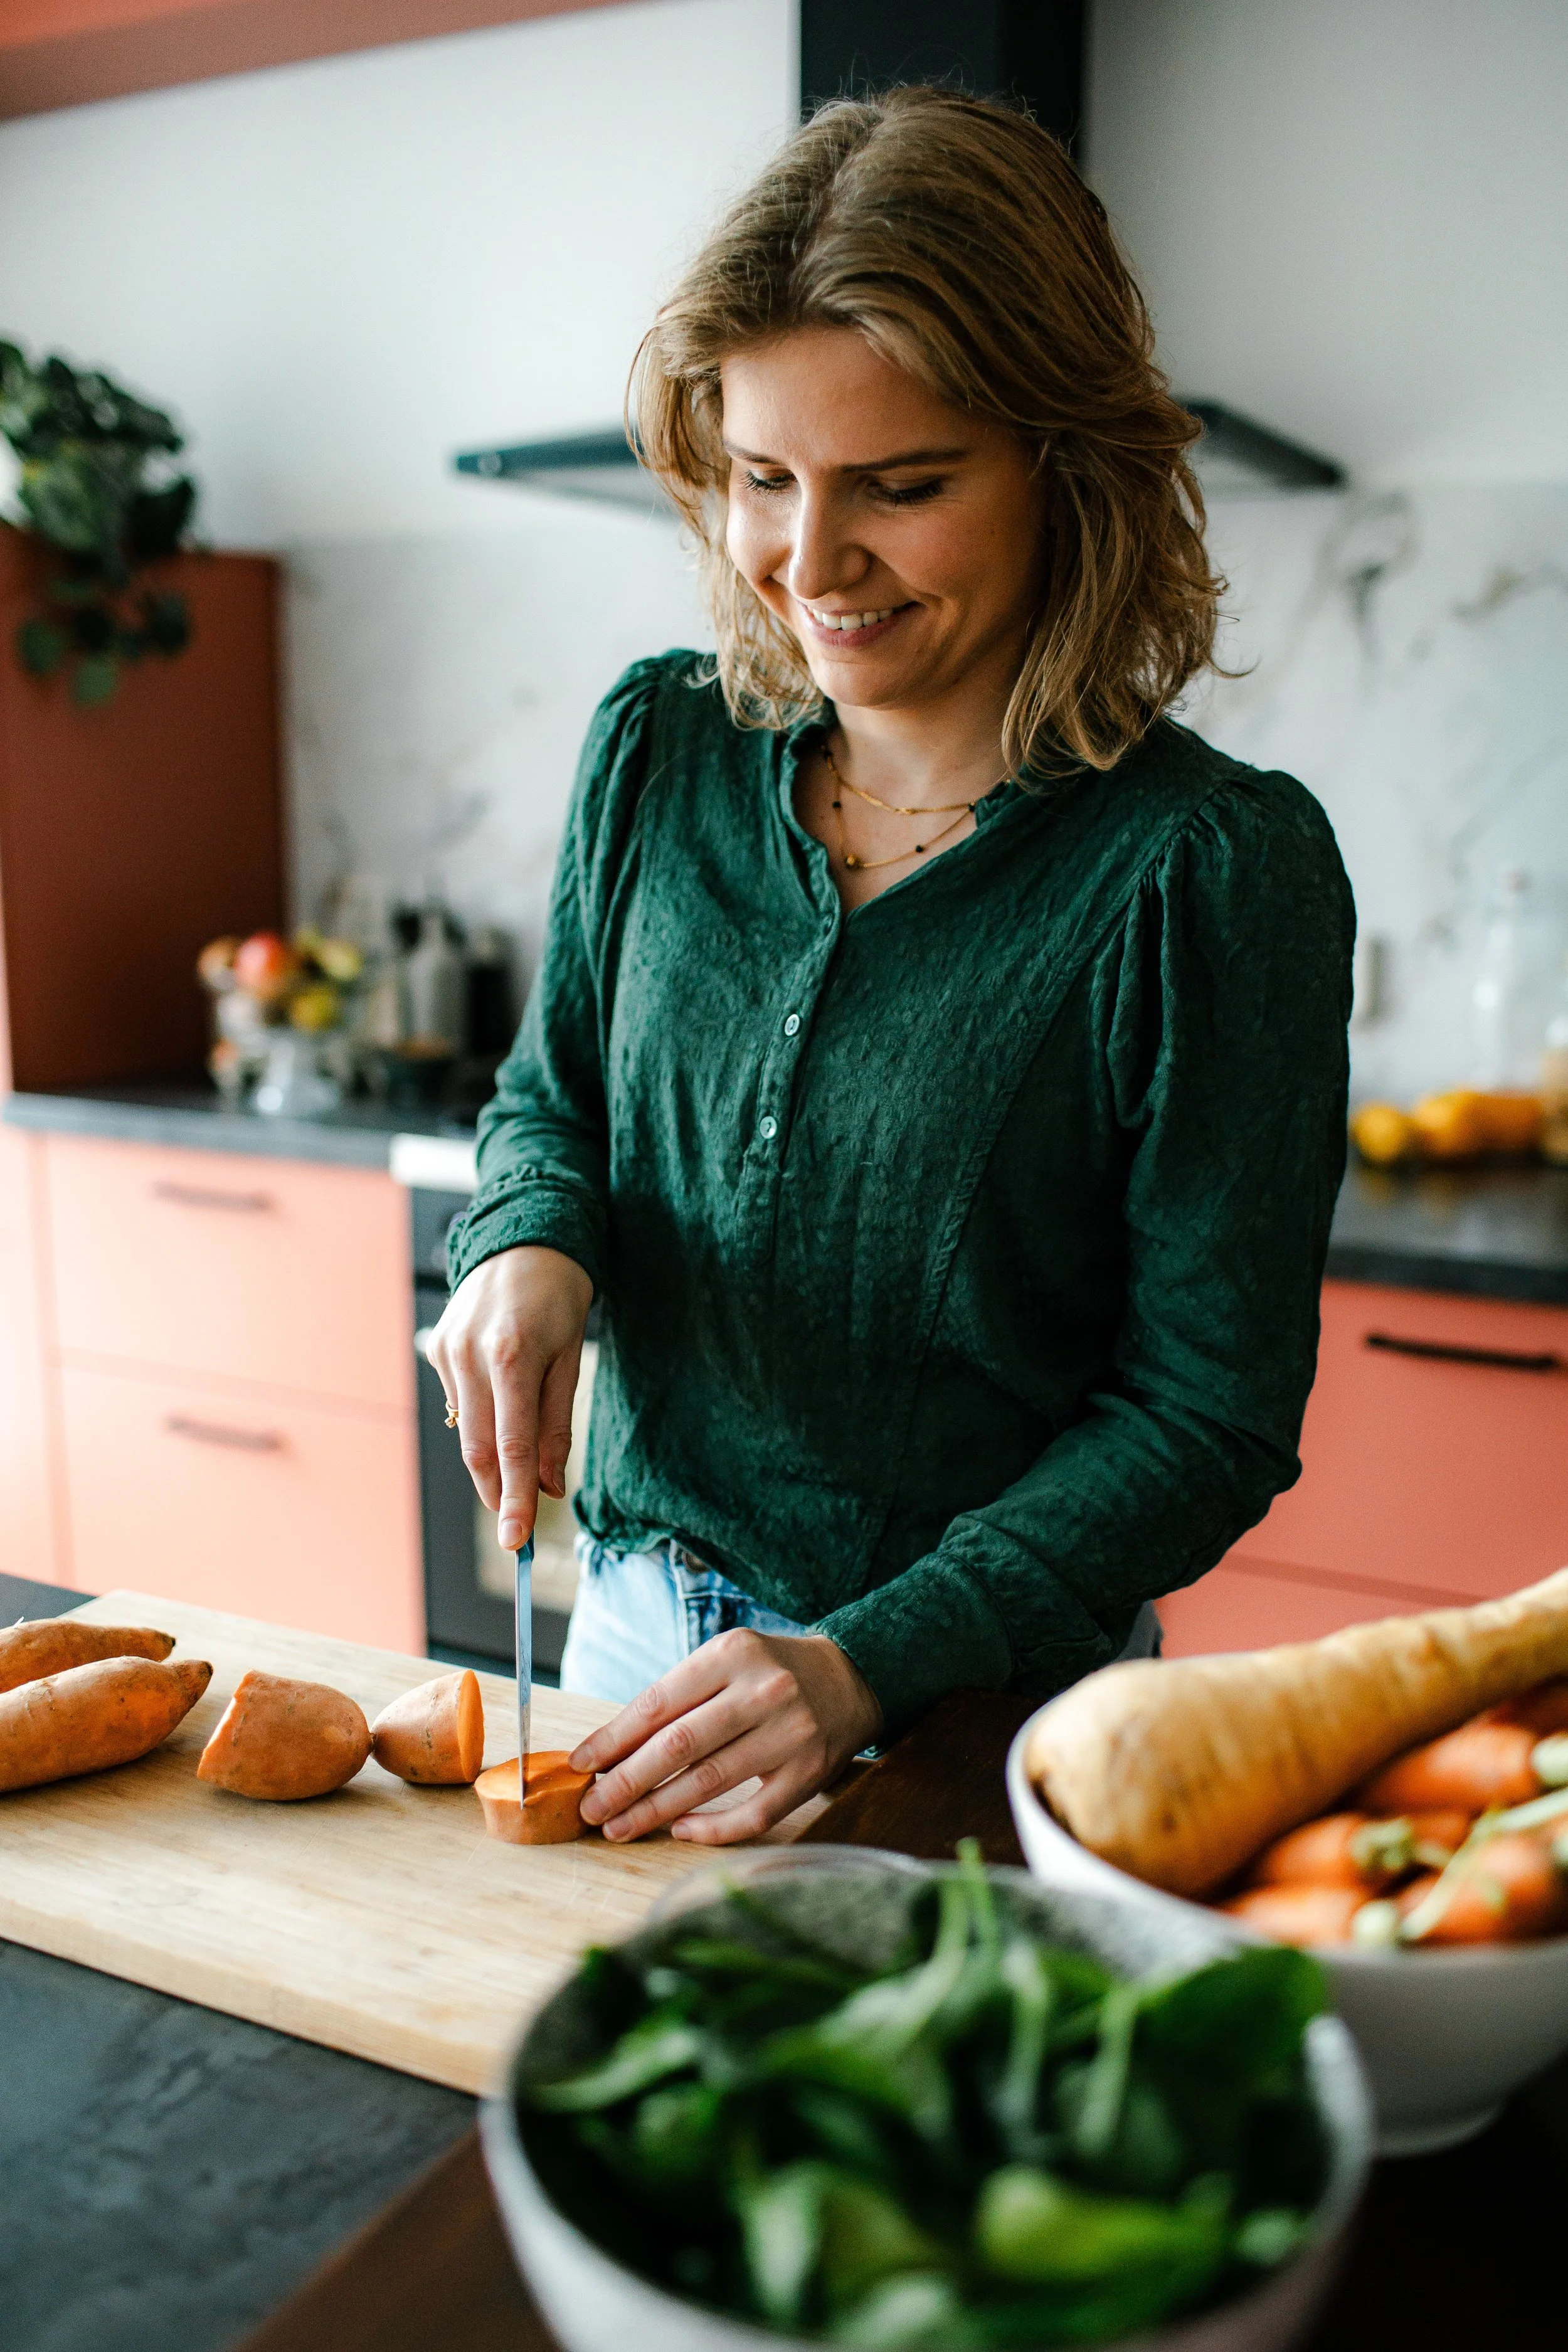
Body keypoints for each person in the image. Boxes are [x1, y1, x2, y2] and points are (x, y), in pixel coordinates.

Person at [428, 87, 1354, 1848]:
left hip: (977, 1719)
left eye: (900, 487)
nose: (806, 561)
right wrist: (528, 1241)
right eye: (761, 479)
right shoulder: (657, 749)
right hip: (629, 1651)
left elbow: (1203, 1414)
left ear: (1066, 471)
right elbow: (551, 1097)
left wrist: (861, 1662)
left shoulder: (1207, 872)